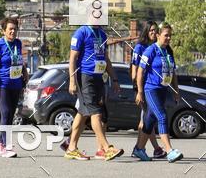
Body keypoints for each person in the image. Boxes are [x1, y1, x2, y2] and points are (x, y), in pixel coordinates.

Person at [65, 24, 123, 161]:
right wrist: (72, 81)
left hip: (99, 77)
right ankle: (106, 148)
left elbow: (106, 59)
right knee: (96, 113)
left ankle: (71, 147)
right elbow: (72, 58)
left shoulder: (102, 34)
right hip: (86, 77)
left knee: (83, 113)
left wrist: (114, 79)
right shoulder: (81, 32)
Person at [135, 23, 183, 163]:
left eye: (170, 35)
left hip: (163, 90)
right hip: (151, 89)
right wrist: (139, 91)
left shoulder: (168, 52)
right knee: (162, 116)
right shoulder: (150, 51)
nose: (168, 38)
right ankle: (169, 151)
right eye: (166, 35)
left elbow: (173, 73)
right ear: (158, 35)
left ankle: (139, 148)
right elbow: (140, 72)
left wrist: (176, 91)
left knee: (149, 121)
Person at [0, 17, 29, 158]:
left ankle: (2, 143)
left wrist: (25, 72)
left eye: (15, 29)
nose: (13, 31)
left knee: (10, 114)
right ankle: (3, 146)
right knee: (5, 112)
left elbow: (19, 61)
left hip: (16, 84)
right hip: (2, 84)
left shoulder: (18, 43)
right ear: (4, 31)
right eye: (10, 29)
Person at [130, 22, 165, 160]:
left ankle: (141, 147)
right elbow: (134, 69)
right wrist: (138, 89)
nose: (153, 32)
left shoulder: (156, 47)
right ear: (146, 31)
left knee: (147, 118)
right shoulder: (140, 47)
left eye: (156, 30)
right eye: (151, 30)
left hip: (154, 87)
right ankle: (153, 148)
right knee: (148, 118)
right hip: (143, 87)